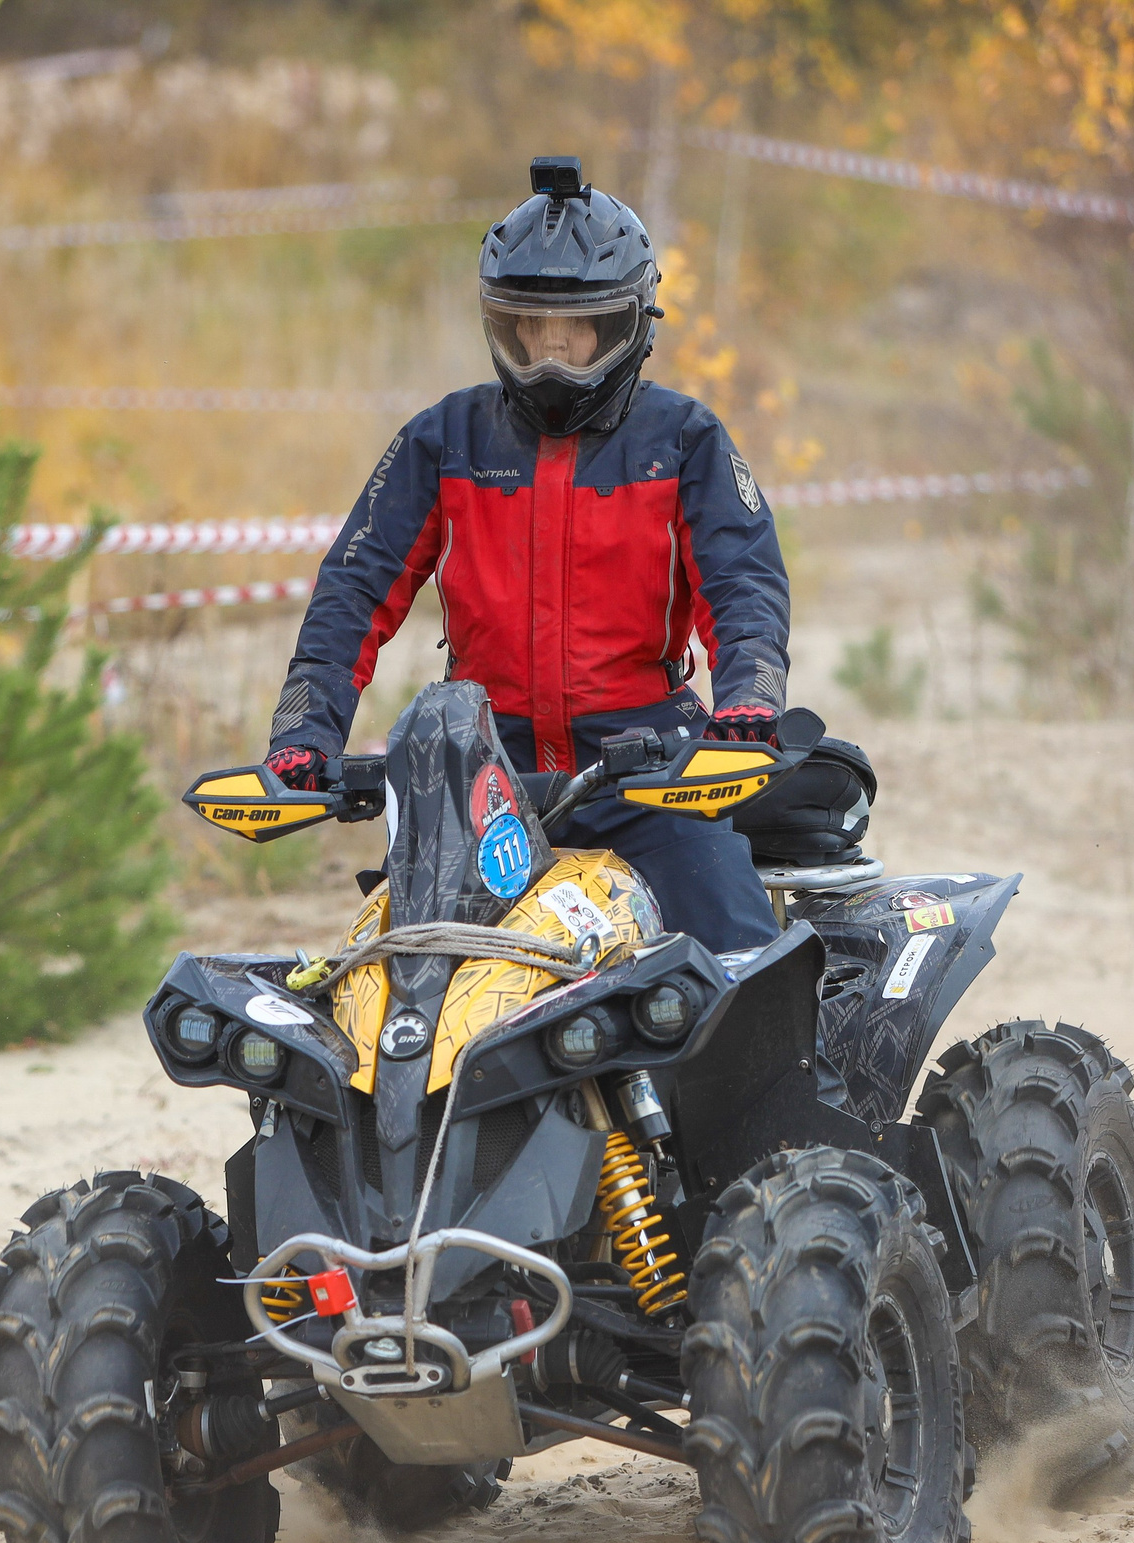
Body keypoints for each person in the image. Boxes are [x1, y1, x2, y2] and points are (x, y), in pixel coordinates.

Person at [262, 156, 793, 952]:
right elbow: (353, 590)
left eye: (576, 331)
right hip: (480, 765)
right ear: (500, 327)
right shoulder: (444, 438)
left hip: (649, 768)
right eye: (530, 330)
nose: (551, 355)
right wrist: (305, 733)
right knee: (407, 965)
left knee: (741, 955)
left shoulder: (685, 439)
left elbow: (743, 584)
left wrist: (749, 702)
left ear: (627, 327)